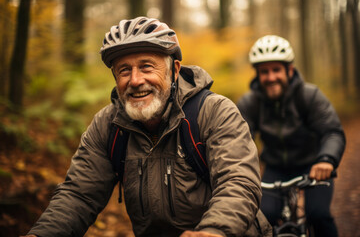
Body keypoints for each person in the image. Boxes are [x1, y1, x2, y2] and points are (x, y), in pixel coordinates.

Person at [23, 17, 267, 237]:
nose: (135, 80)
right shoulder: (108, 126)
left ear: (174, 70)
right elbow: (78, 195)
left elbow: (238, 182)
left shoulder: (213, 112)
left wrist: (214, 231)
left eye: (147, 66)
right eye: (124, 70)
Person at [236, 35, 346, 236]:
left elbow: (332, 131)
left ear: (290, 70)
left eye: (276, 70)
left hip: (313, 166)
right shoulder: (250, 103)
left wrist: (326, 160)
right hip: (275, 169)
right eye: (264, 72)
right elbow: (238, 140)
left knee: (318, 215)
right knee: (261, 218)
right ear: (257, 75)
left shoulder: (309, 96)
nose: (270, 77)